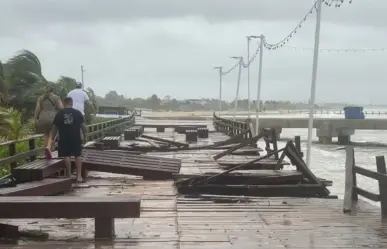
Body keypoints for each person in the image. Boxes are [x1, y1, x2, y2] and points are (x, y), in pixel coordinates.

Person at [47, 97, 87, 183]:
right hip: (76, 138)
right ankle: (79, 176)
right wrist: (85, 136)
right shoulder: (78, 113)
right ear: (72, 103)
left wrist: (52, 140)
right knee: (78, 155)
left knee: (66, 156)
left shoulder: (59, 114)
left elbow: (54, 129)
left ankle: (69, 175)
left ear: (64, 103)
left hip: (64, 138)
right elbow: (83, 127)